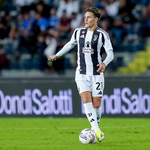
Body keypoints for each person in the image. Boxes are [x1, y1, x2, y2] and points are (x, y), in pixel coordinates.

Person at [48, 7, 114, 142]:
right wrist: (58, 55)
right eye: (85, 17)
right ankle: (96, 130)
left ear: (96, 19)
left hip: (97, 73)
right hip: (81, 73)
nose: (85, 19)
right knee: (86, 99)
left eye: (89, 17)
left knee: (96, 105)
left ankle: (95, 129)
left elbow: (110, 53)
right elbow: (70, 44)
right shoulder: (79, 31)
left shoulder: (102, 34)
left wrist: (104, 63)